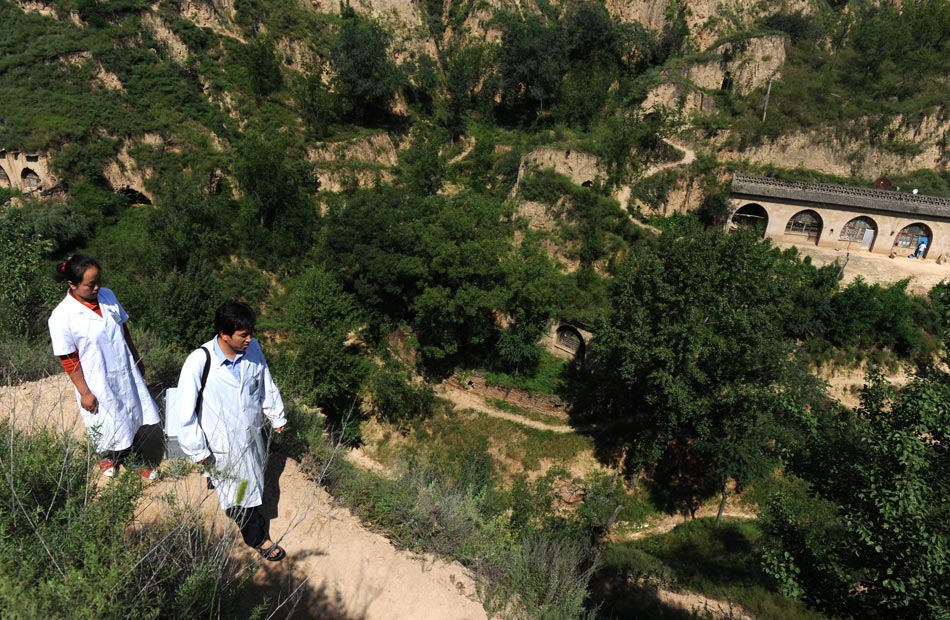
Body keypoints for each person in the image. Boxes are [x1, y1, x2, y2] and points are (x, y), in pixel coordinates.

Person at [171, 300, 288, 561]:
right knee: (240, 493)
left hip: (250, 434)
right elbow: (184, 412)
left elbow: (264, 382)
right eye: (243, 334)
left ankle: (220, 483)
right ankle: (258, 538)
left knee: (252, 476)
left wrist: (276, 415)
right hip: (220, 443)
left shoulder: (253, 349)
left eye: (251, 332)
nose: (250, 339)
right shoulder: (199, 362)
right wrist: (197, 448)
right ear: (224, 335)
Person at [48, 254, 160, 479]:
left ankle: (135, 461)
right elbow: (68, 358)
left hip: (122, 367)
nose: (98, 286)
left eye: (98, 280)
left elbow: (124, 329)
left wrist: (137, 359)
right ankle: (106, 457)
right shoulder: (62, 316)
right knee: (104, 419)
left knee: (130, 413)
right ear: (72, 284)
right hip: (94, 376)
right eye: (91, 284)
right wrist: (84, 391)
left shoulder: (107, 296)